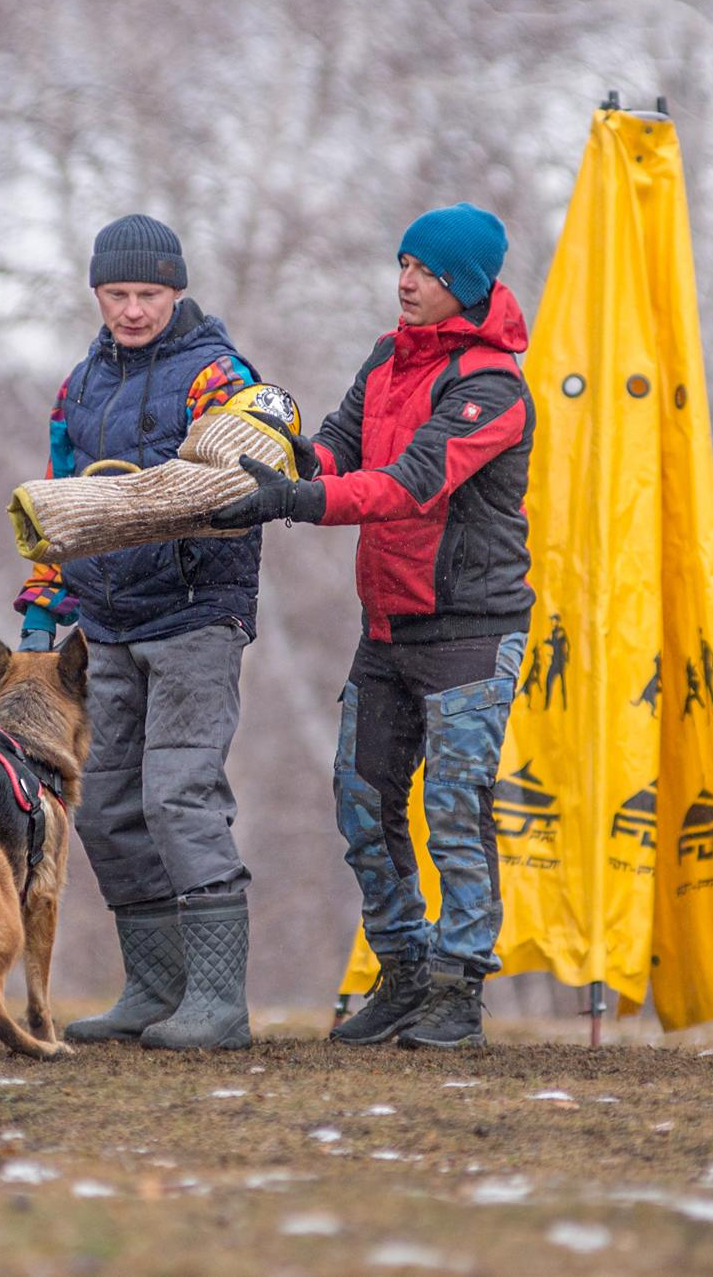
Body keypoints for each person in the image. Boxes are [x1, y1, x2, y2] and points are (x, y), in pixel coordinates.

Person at [209, 203, 532, 1050]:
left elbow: (407, 484)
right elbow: (340, 449)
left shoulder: (494, 388)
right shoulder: (387, 357)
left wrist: (300, 503)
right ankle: (404, 970)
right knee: (362, 804)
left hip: (472, 634)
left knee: (455, 810)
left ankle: (459, 989)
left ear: (461, 285)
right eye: (401, 264)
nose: (404, 281)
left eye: (422, 270)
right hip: (387, 627)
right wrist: (283, 453)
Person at [15, 214, 263, 1051]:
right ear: (96, 293)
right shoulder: (78, 385)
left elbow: (244, 485)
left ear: (178, 290)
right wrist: (41, 613)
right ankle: (155, 991)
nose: (131, 309)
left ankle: (220, 1005)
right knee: (107, 807)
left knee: (179, 797)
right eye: (116, 294)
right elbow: (57, 505)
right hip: (103, 628)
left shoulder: (218, 377)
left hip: (195, 617)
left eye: (148, 294)